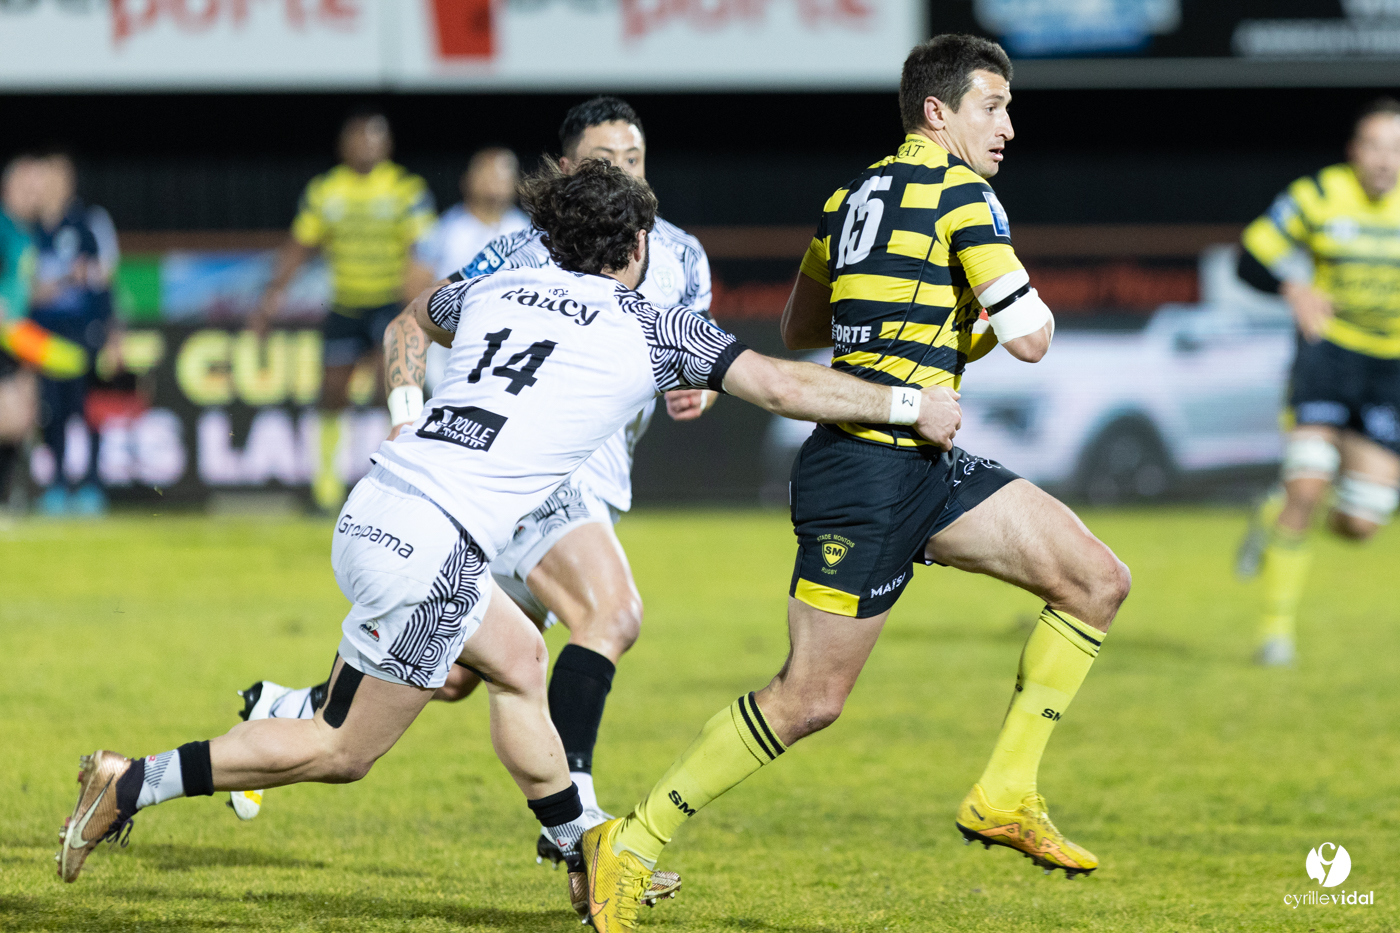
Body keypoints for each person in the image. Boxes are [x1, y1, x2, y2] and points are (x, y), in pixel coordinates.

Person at [57, 160, 963, 920]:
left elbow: (413, 319)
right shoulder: (651, 326)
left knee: (522, 659)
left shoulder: (494, 284)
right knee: (341, 748)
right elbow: (776, 382)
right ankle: (132, 781)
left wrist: (410, 409)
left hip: (385, 502)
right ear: (638, 248)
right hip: (434, 546)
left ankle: (585, 849)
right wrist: (907, 403)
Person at [579, 35, 1133, 931]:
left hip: (924, 463)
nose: (1009, 127)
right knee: (809, 699)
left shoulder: (849, 197)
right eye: (992, 107)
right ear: (938, 111)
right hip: (864, 470)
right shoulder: (964, 195)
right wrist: (985, 314)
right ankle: (631, 842)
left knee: (1095, 578)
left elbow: (801, 322)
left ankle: (1006, 789)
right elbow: (1031, 337)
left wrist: (921, 321)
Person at [235, 100, 717, 864]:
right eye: (603, 159)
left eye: (634, 156)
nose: (622, 169)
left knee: (452, 673)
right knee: (611, 612)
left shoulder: (685, 256)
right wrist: (405, 411)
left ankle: (291, 707)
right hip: (529, 476)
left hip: (596, 479)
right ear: (566, 171)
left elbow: (700, 358)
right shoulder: (523, 251)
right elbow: (417, 318)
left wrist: (703, 390)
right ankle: (577, 822)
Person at [1234, 98, 1400, 666]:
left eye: (1396, 148)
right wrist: (1294, 288)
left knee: (1360, 523)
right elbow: (1250, 258)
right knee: (1308, 485)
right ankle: (1275, 634)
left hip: (1390, 372)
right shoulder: (1319, 196)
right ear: (1355, 152)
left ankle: (1270, 515)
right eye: (1375, 146)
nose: (1385, 159)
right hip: (1328, 356)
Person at [249, 110, 437, 514]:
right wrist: (270, 299)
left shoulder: (406, 189)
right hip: (345, 304)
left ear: (387, 145)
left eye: (374, 137)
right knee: (332, 393)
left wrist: (417, 306)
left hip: (392, 306)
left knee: (399, 390)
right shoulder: (326, 190)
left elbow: (421, 253)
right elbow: (300, 246)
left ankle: (411, 478)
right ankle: (326, 485)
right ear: (344, 145)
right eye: (359, 137)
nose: (366, 145)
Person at [25, 152, 113, 516]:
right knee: (52, 411)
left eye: (59, 177)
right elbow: (25, 285)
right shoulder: (27, 229)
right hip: (42, 336)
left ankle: (92, 483)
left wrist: (111, 329)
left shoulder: (89, 222)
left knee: (87, 407)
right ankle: (57, 482)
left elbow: (105, 275)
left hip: (83, 331)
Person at [416, 147, 531, 392]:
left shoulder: (527, 232)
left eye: (502, 175)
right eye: (486, 174)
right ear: (467, 180)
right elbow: (414, 283)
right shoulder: (444, 228)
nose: (494, 182)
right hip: (449, 342)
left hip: (508, 343)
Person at [0, 156, 38, 510]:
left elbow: (23, 286)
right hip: (2, 336)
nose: (35, 196)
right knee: (10, 419)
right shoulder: (2, 226)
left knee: (22, 418)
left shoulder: (24, 231)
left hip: (19, 338)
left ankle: (8, 497)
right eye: (28, 188)